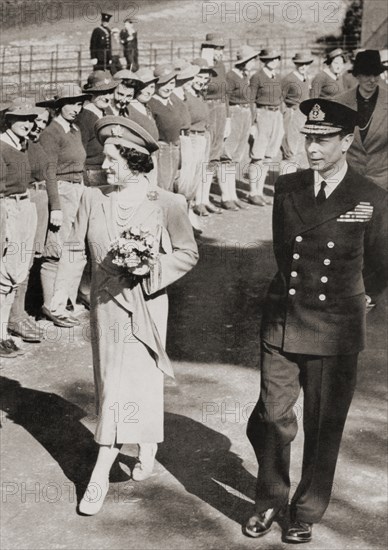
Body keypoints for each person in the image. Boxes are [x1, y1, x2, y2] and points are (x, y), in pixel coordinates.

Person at [244, 98, 388, 544]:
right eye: (309, 138)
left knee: (324, 423)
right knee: (272, 416)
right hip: (285, 319)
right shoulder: (286, 188)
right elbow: (282, 252)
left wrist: (360, 300)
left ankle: (305, 510)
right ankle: (270, 499)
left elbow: (382, 262)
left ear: (346, 141)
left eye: (323, 140)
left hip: (335, 324)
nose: (312, 149)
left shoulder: (371, 196)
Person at [50, 116, 198, 515]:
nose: (105, 166)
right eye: (105, 158)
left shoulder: (166, 203)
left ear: (134, 160)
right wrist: (61, 292)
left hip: (145, 307)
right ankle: (146, 440)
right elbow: (76, 249)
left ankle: (99, 473)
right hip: (104, 308)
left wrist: (150, 271)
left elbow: (187, 252)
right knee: (110, 383)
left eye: (113, 159)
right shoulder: (92, 198)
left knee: (126, 385)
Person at [38, 83, 90, 327]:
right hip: (61, 190)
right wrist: (55, 205)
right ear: (59, 106)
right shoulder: (52, 132)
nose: (75, 108)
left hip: (77, 189)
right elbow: (49, 171)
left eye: (79, 103)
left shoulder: (74, 130)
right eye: (70, 103)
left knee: (74, 248)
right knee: (55, 250)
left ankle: (66, 301)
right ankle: (51, 305)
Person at [8, 105, 53, 343]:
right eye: (26, 120)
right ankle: (13, 316)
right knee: (13, 264)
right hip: (15, 204)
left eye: (37, 121)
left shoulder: (30, 144)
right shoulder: (13, 145)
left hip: (31, 202)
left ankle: (20, 312)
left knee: (27, 261)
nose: (34, 125)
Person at [0, 100, 39, 357]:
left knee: (16, 275)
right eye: (21, 118)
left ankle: (3, 332)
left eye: (30, 119)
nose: (28, 123)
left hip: (25, 205)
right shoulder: (2, 146)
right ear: (7, 120)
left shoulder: (22, 145)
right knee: (3, 277)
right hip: (7, 209)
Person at [336, 50, 388, 190]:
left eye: (376, 74)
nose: (372, 80)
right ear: (357, 75)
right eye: (367, 74)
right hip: (349, 181)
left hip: (383, 183)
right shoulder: (340, 103)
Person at [201, 32, 236, 210]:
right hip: (207, 110)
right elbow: (199, 91)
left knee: (220, 155)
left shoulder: (221, 66)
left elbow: (225, 93)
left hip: (221, 109)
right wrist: (206, 63)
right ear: (208, 48)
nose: (220, 52)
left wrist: (228, 118)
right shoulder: (201, 65)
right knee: (208, 155)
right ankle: (203, 199)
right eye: (216, 48)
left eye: (222, 48)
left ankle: (225, 196)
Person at [248, 48, 284, 206]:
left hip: (276, 115)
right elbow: (250, 100)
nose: (275, 61)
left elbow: (281, 98)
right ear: (265, 60)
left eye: (277, 58)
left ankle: (260, 191)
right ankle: (252, 192)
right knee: (258, 156)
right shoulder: (257, 77)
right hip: (262, 115)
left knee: (269, 156)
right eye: (271, 59)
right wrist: (253, 123)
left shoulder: (278, 77)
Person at [224, 45, 258, 207]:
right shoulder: (231, 76)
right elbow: (225, 98)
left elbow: (250, 100)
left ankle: (233, 195)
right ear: (243, 62)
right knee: (228, 156)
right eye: (251, 60)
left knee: (238, 156)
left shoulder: (246, 76)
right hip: (235, 112)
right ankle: (226, 196)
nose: (253, 63)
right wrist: (228, 119)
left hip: (245, 115)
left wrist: (252, 122)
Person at [148, 63, 191, 192]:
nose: (168, 88)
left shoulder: (173, 100)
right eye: (163, 84)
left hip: (175, 146)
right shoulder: (151, 103)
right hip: (162, 148)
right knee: (162, 186)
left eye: (171, 83)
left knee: (173, 185)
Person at [77, 71, 118, 186]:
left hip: (108, 169)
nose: (107, 97)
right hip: (92, 173)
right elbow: (80, 152)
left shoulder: (106, 112)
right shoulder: (85, 116)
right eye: (101, 93)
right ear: (92, 94)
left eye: (110, 92)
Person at [281, 52, 313, 172]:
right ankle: (285, 185)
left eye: (306, 64)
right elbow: (280, 98)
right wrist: (285, 113)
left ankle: (295, 185)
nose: (304, 66)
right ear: (296, 64)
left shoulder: (306, 78)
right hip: (292, 113)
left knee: (301, 150)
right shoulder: (289, 79)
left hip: (304, 115)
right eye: (301, 64)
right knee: (290, 151)